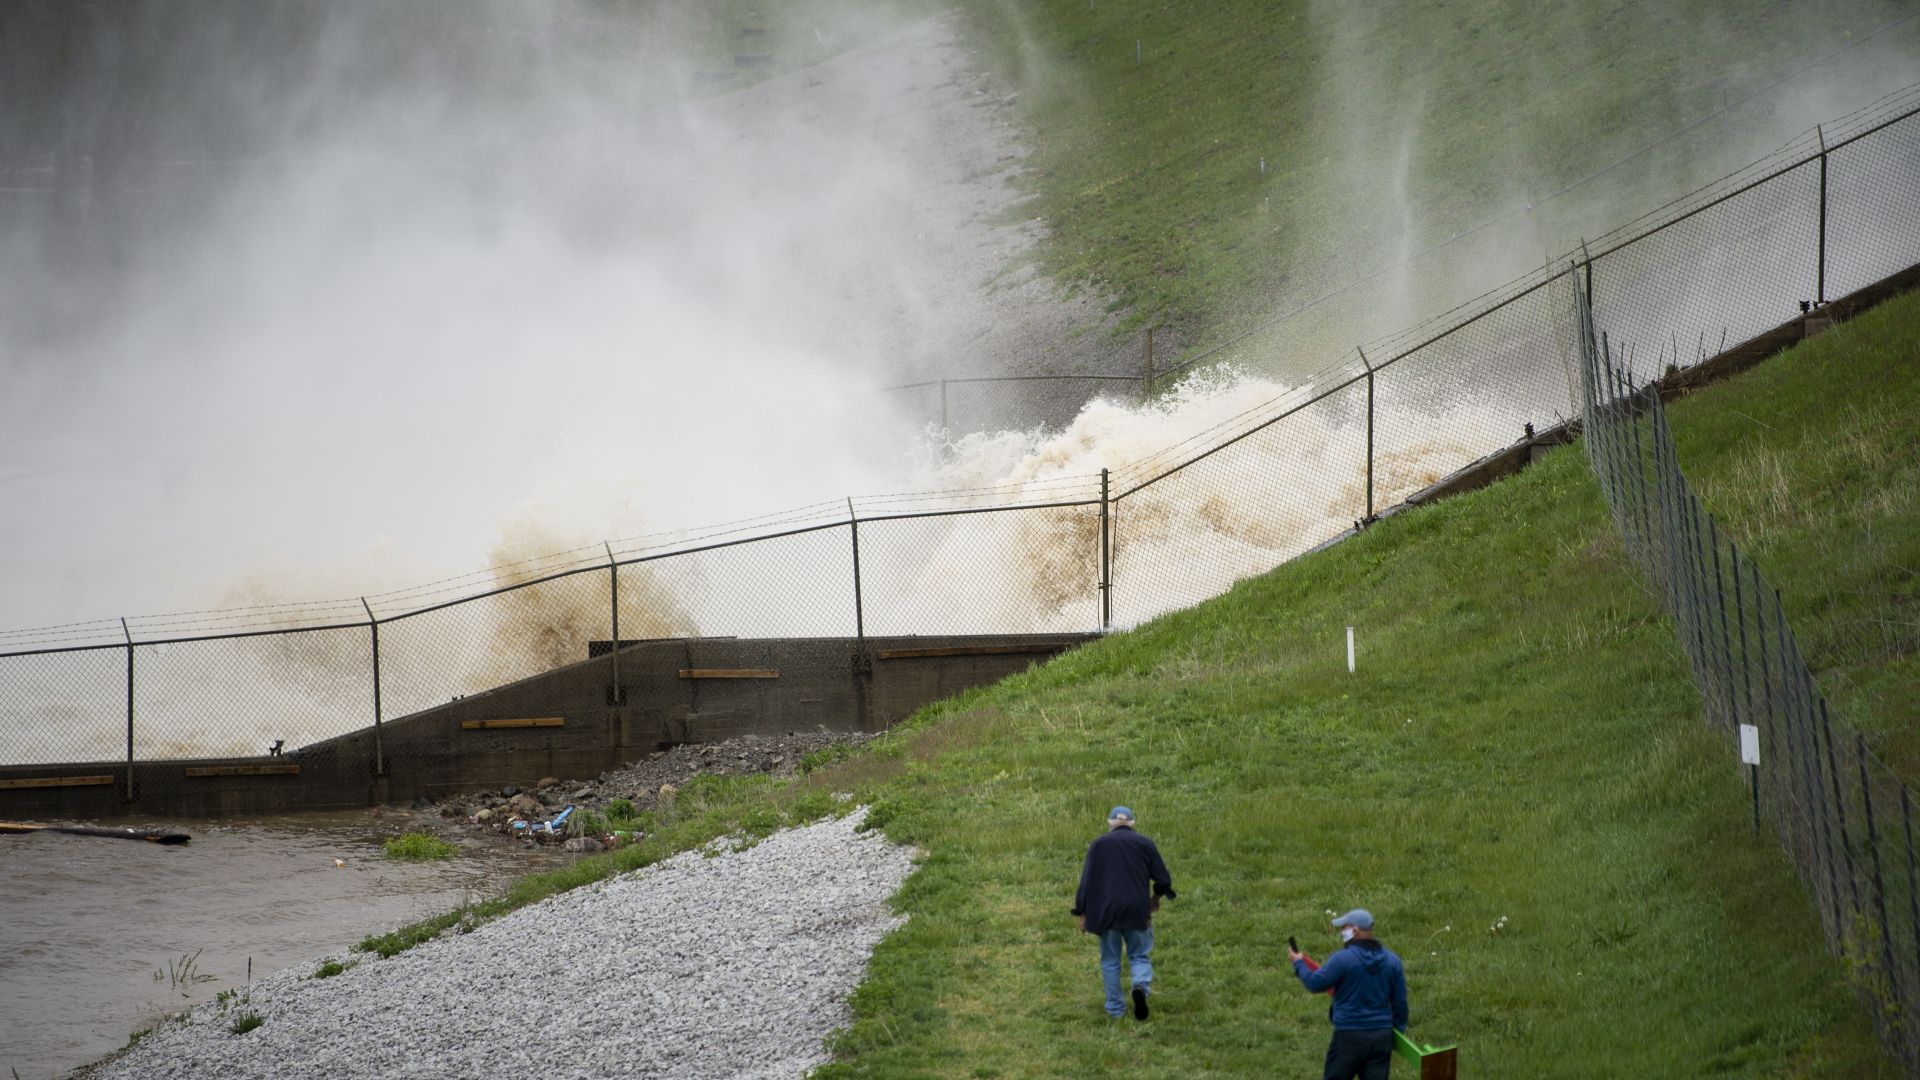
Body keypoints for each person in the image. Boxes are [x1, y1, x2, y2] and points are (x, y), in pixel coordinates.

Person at [1070, 806, 1175, 1020]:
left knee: (1110, 960)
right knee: (1139, 955)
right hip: (1137, 909)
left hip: (1106, 911)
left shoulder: (1098, 845)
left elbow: (1087, 882)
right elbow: (1163, 880)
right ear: (1132, 823)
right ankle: (1139, 987)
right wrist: (1155, 898)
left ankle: (1115, 1010)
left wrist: (1082, 911)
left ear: (1110, 823)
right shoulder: (1145, 843)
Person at [1288, 908, 1408, 1080]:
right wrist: (1397, 1032)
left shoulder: (1343, 959)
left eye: (1344, 928)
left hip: (1349, 1036)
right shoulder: (1393, 961)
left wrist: (1298, 964)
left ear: (1356, 931)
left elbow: (1315, 983)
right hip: (1381, 1036)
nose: (1341, 932)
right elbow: (1400, 1003)